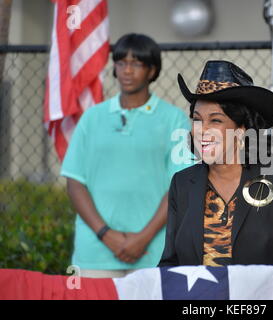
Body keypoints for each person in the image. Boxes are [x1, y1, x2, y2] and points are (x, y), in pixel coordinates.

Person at [158, 60, 273, 267]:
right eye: (197, 119)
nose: (202, 130)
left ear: (242, 128)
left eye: (215, 120)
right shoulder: (182, 183)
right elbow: (170, 263)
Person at [61, 33, 192, 278]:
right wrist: (105, 234)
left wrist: (143, 239)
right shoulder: (91, 118)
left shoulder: (174, 119)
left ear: (152, 71)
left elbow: (180, 185)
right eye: (121, 63)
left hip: (153, 252)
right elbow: (75, 182)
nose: (127, 71)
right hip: (95, 253)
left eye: (136, 64)